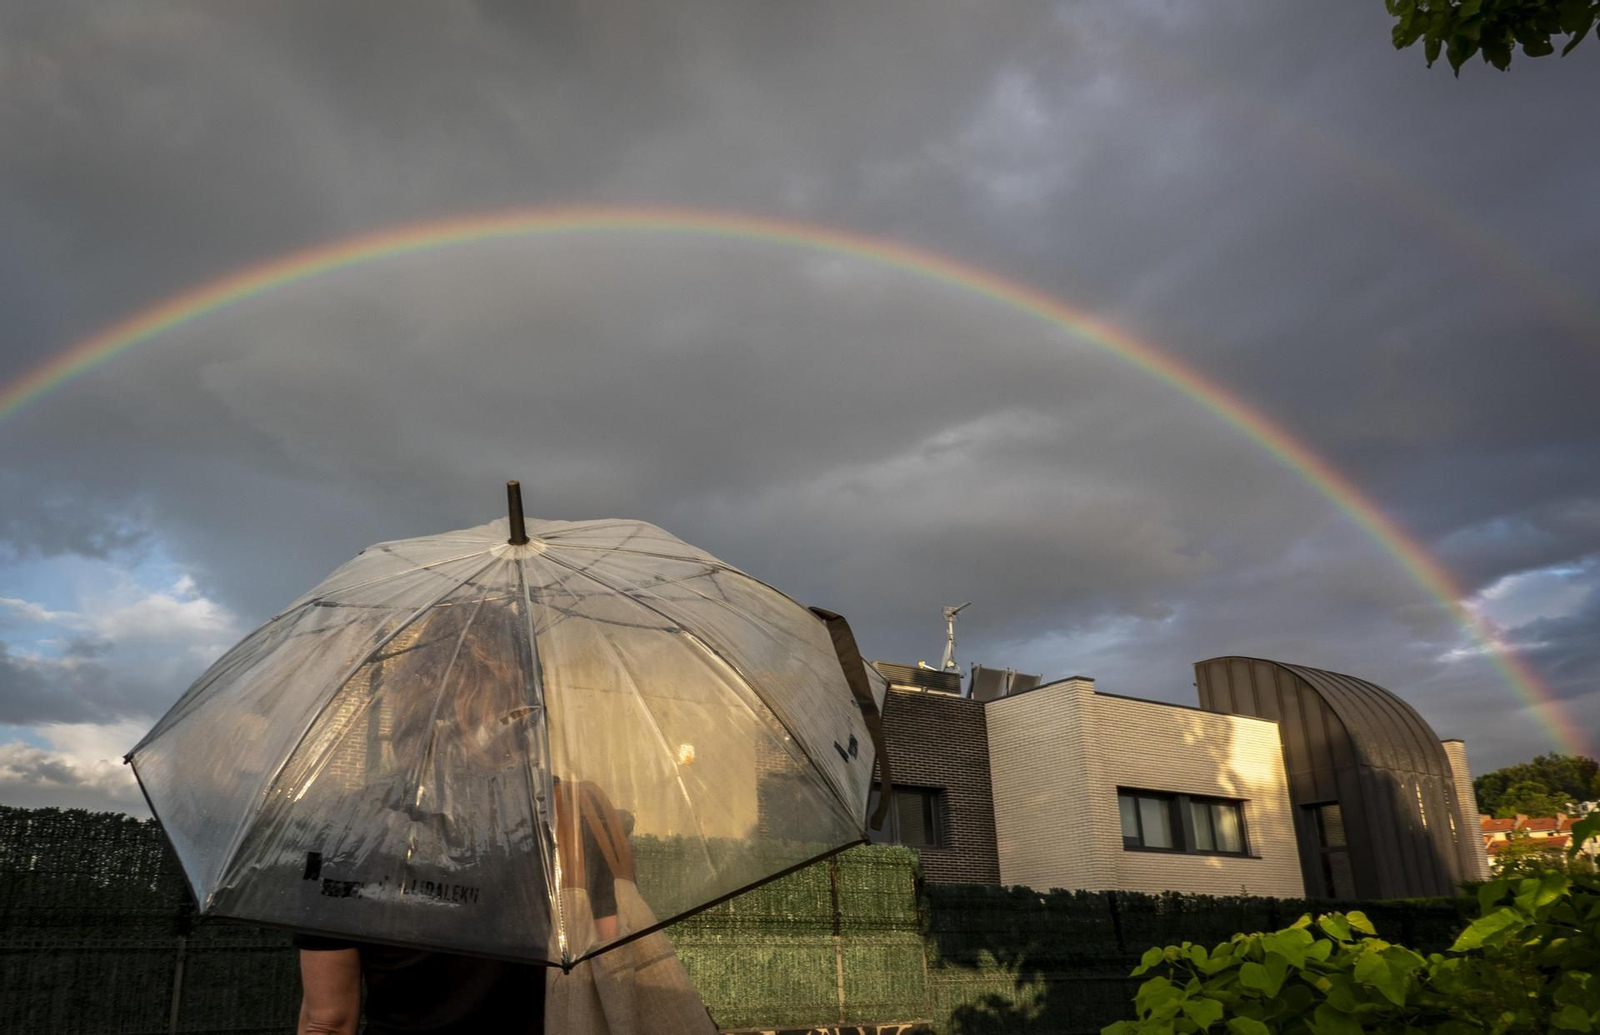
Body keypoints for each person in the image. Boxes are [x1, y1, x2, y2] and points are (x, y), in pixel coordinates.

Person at [293, 604, 633, 1035]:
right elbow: (611, 967)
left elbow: (328, 1020)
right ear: (524, 699)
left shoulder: (347, 829)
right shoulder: (570, 814)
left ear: (411, 696)